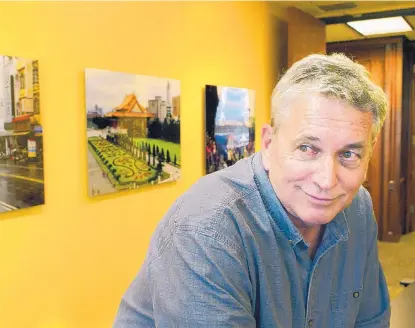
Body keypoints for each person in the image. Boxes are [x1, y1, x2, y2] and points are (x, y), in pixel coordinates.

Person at [113, 53, 391, 328]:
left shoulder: (357, 208)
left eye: (349, 154)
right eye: (307, 148)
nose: (327, 180)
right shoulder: (206, 229)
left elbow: (370, 320)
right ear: (268, 144)